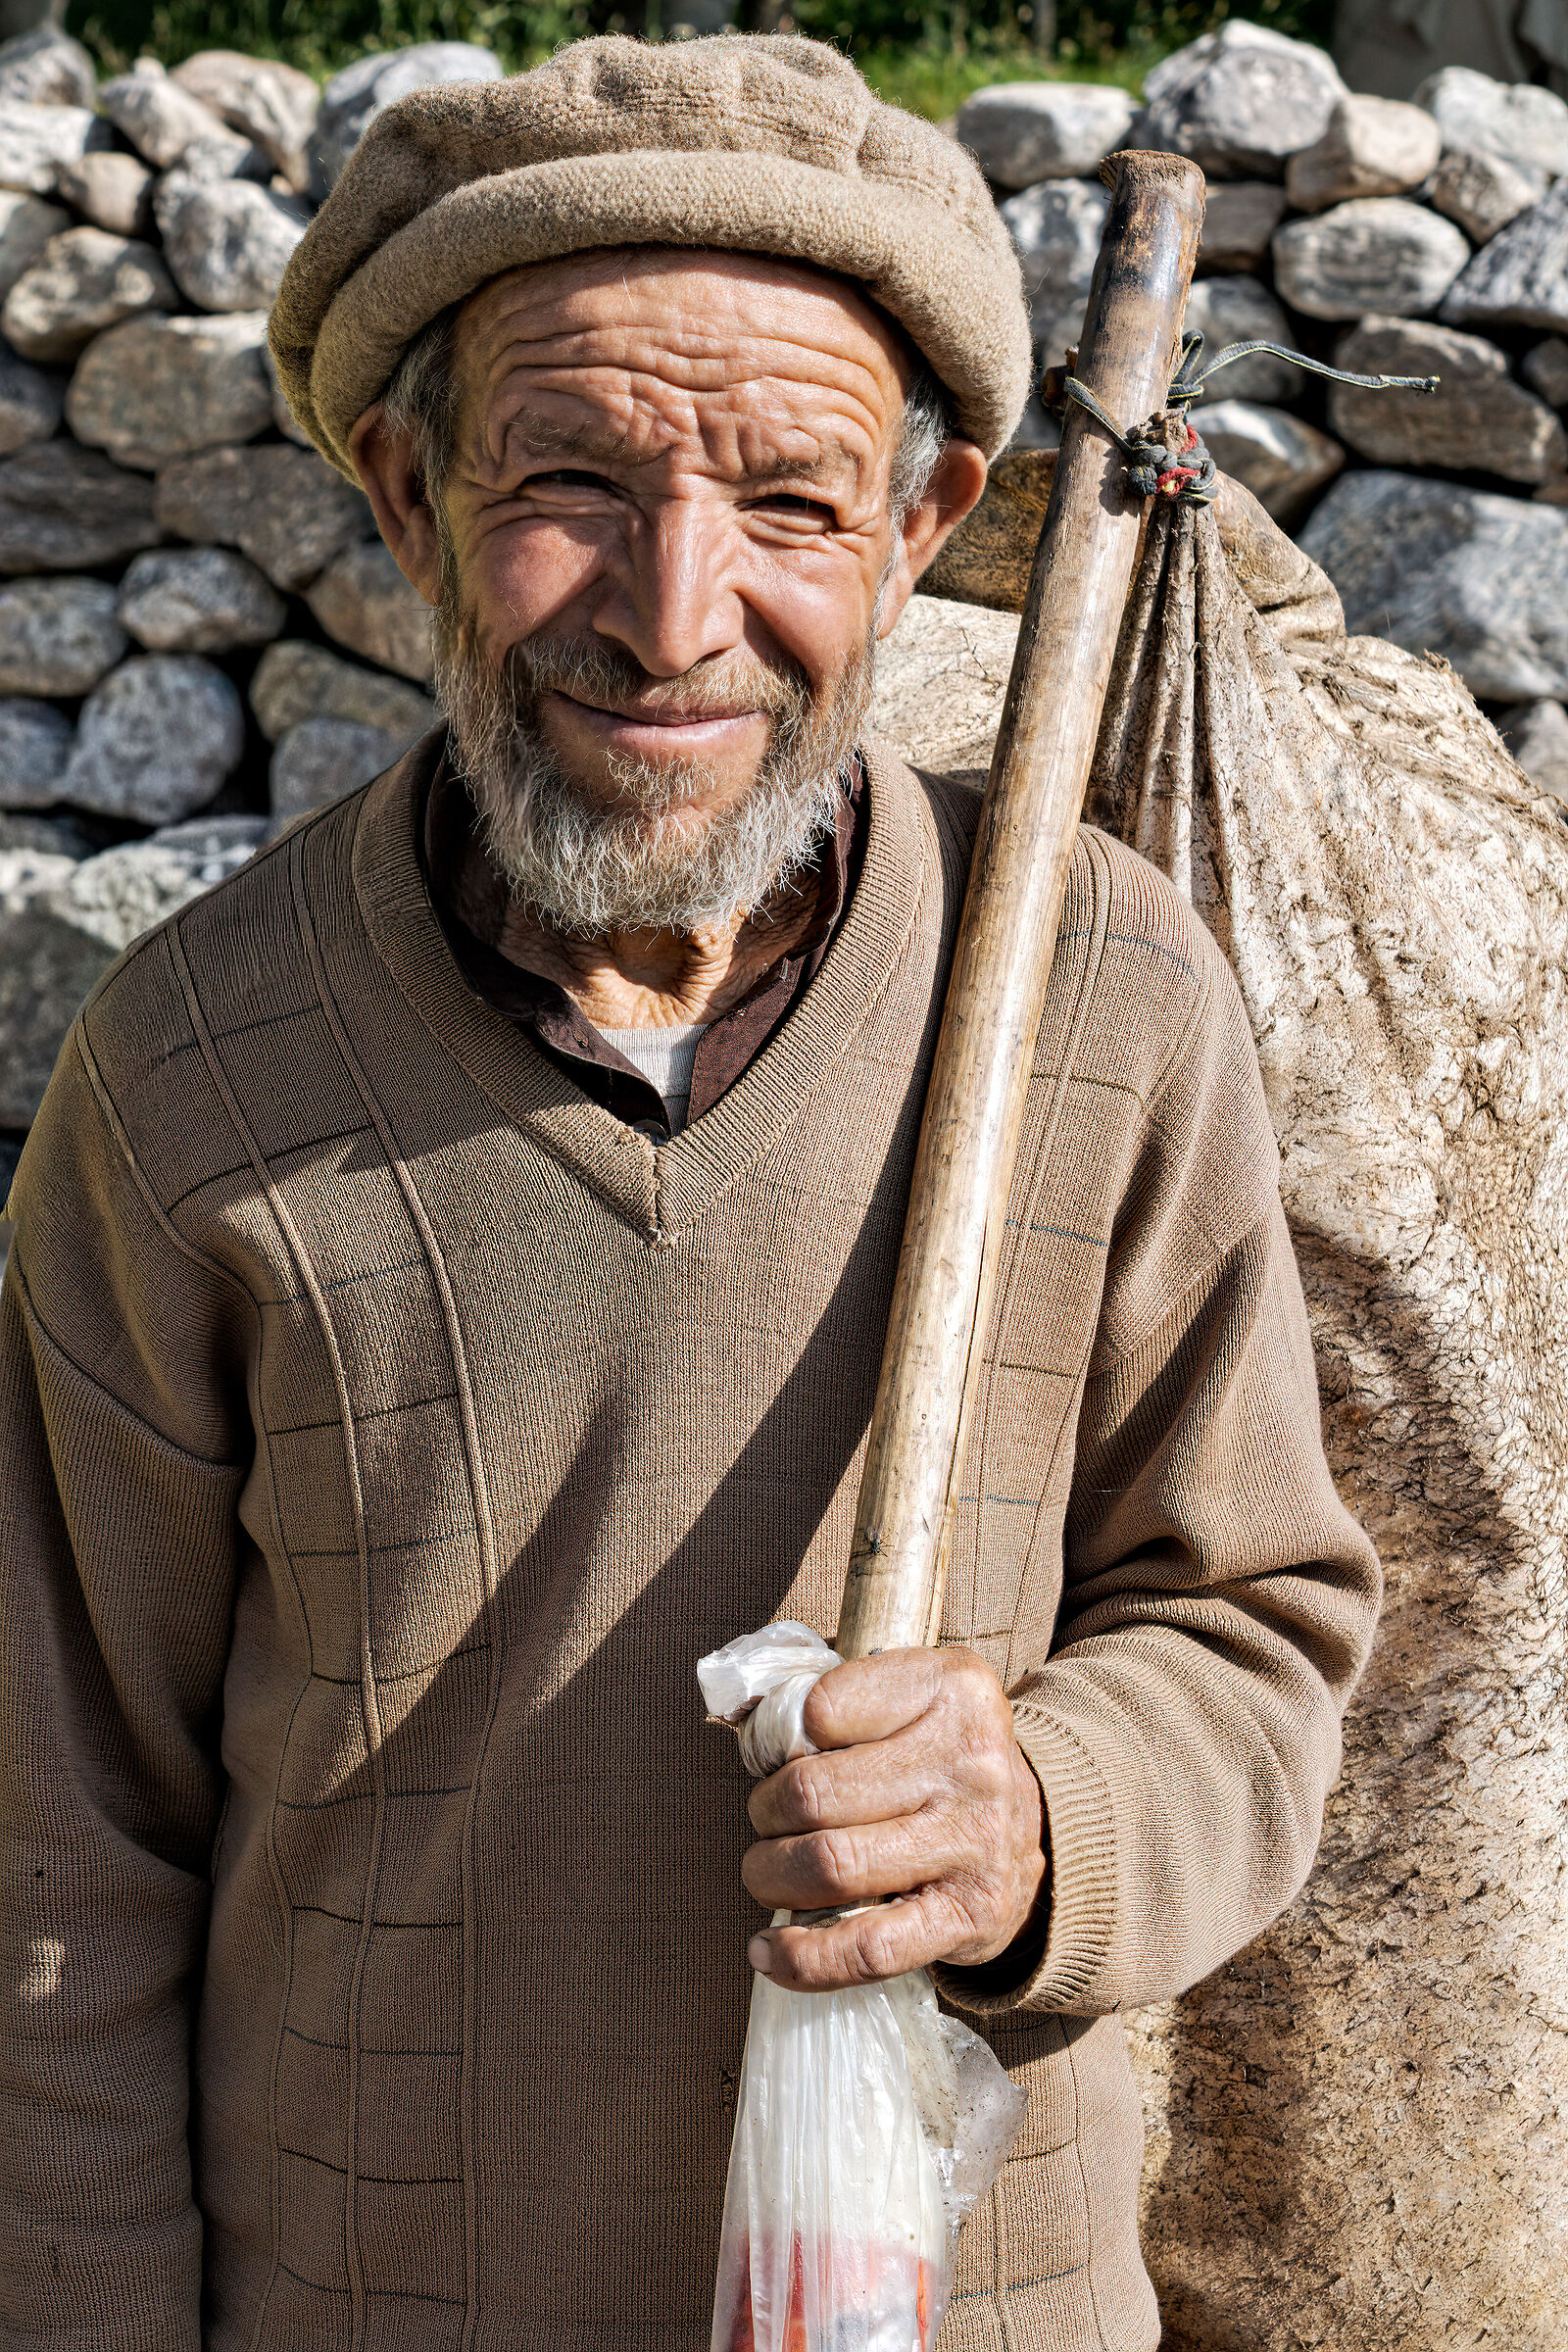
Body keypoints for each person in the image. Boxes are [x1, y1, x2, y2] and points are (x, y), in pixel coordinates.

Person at [0, 33, 1381, 2352]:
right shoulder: (194, 1071)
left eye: (789, 503)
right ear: (407, 497)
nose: (671, 614)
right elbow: (55, 1840)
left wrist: (1041, 1817)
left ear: (923, 528)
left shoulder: (1099, 991)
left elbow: (1254, 1623)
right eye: (569, 481)